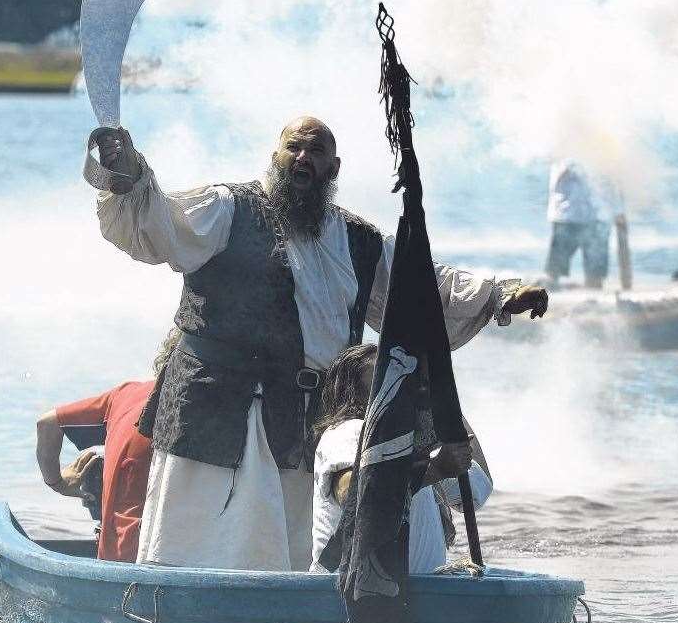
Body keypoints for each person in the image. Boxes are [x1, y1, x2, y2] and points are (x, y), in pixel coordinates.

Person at [90, 116, 546, 571]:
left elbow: (424, 285)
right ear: (276, 157)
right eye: (295, 147)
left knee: (296, 547)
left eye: (317, 151)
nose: (304, 158)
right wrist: (128, 174)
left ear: (335, 167)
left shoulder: (360, 241)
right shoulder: (229, 209)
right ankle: (184, 617)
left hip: (310, 417)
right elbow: (162, 224)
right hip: (220, 408)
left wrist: (499, 294)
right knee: (204, 537)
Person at [309, 343, 493, 573]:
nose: (399, 381)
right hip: (354, 595)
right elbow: (353, 493)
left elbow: (479, 491)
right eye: (383, 375)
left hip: (416, 596)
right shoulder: (350, 431)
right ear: (353, 392)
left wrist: (445, 405)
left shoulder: (414, 447)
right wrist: (434, 470)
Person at [35, 330, 179, 562]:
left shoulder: (126, 395)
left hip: (115, 559)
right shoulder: (222, 414)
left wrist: (57, 482)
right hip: (165, 561)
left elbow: (48, 423)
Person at [543, 159, 625, 289]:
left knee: (595, 275)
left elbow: (612, 182)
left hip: (597, 216)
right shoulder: (565, 152)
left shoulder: (604, 150)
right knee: (554, 271)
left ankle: (593, 301)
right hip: (568, 215)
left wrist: (618, 210)